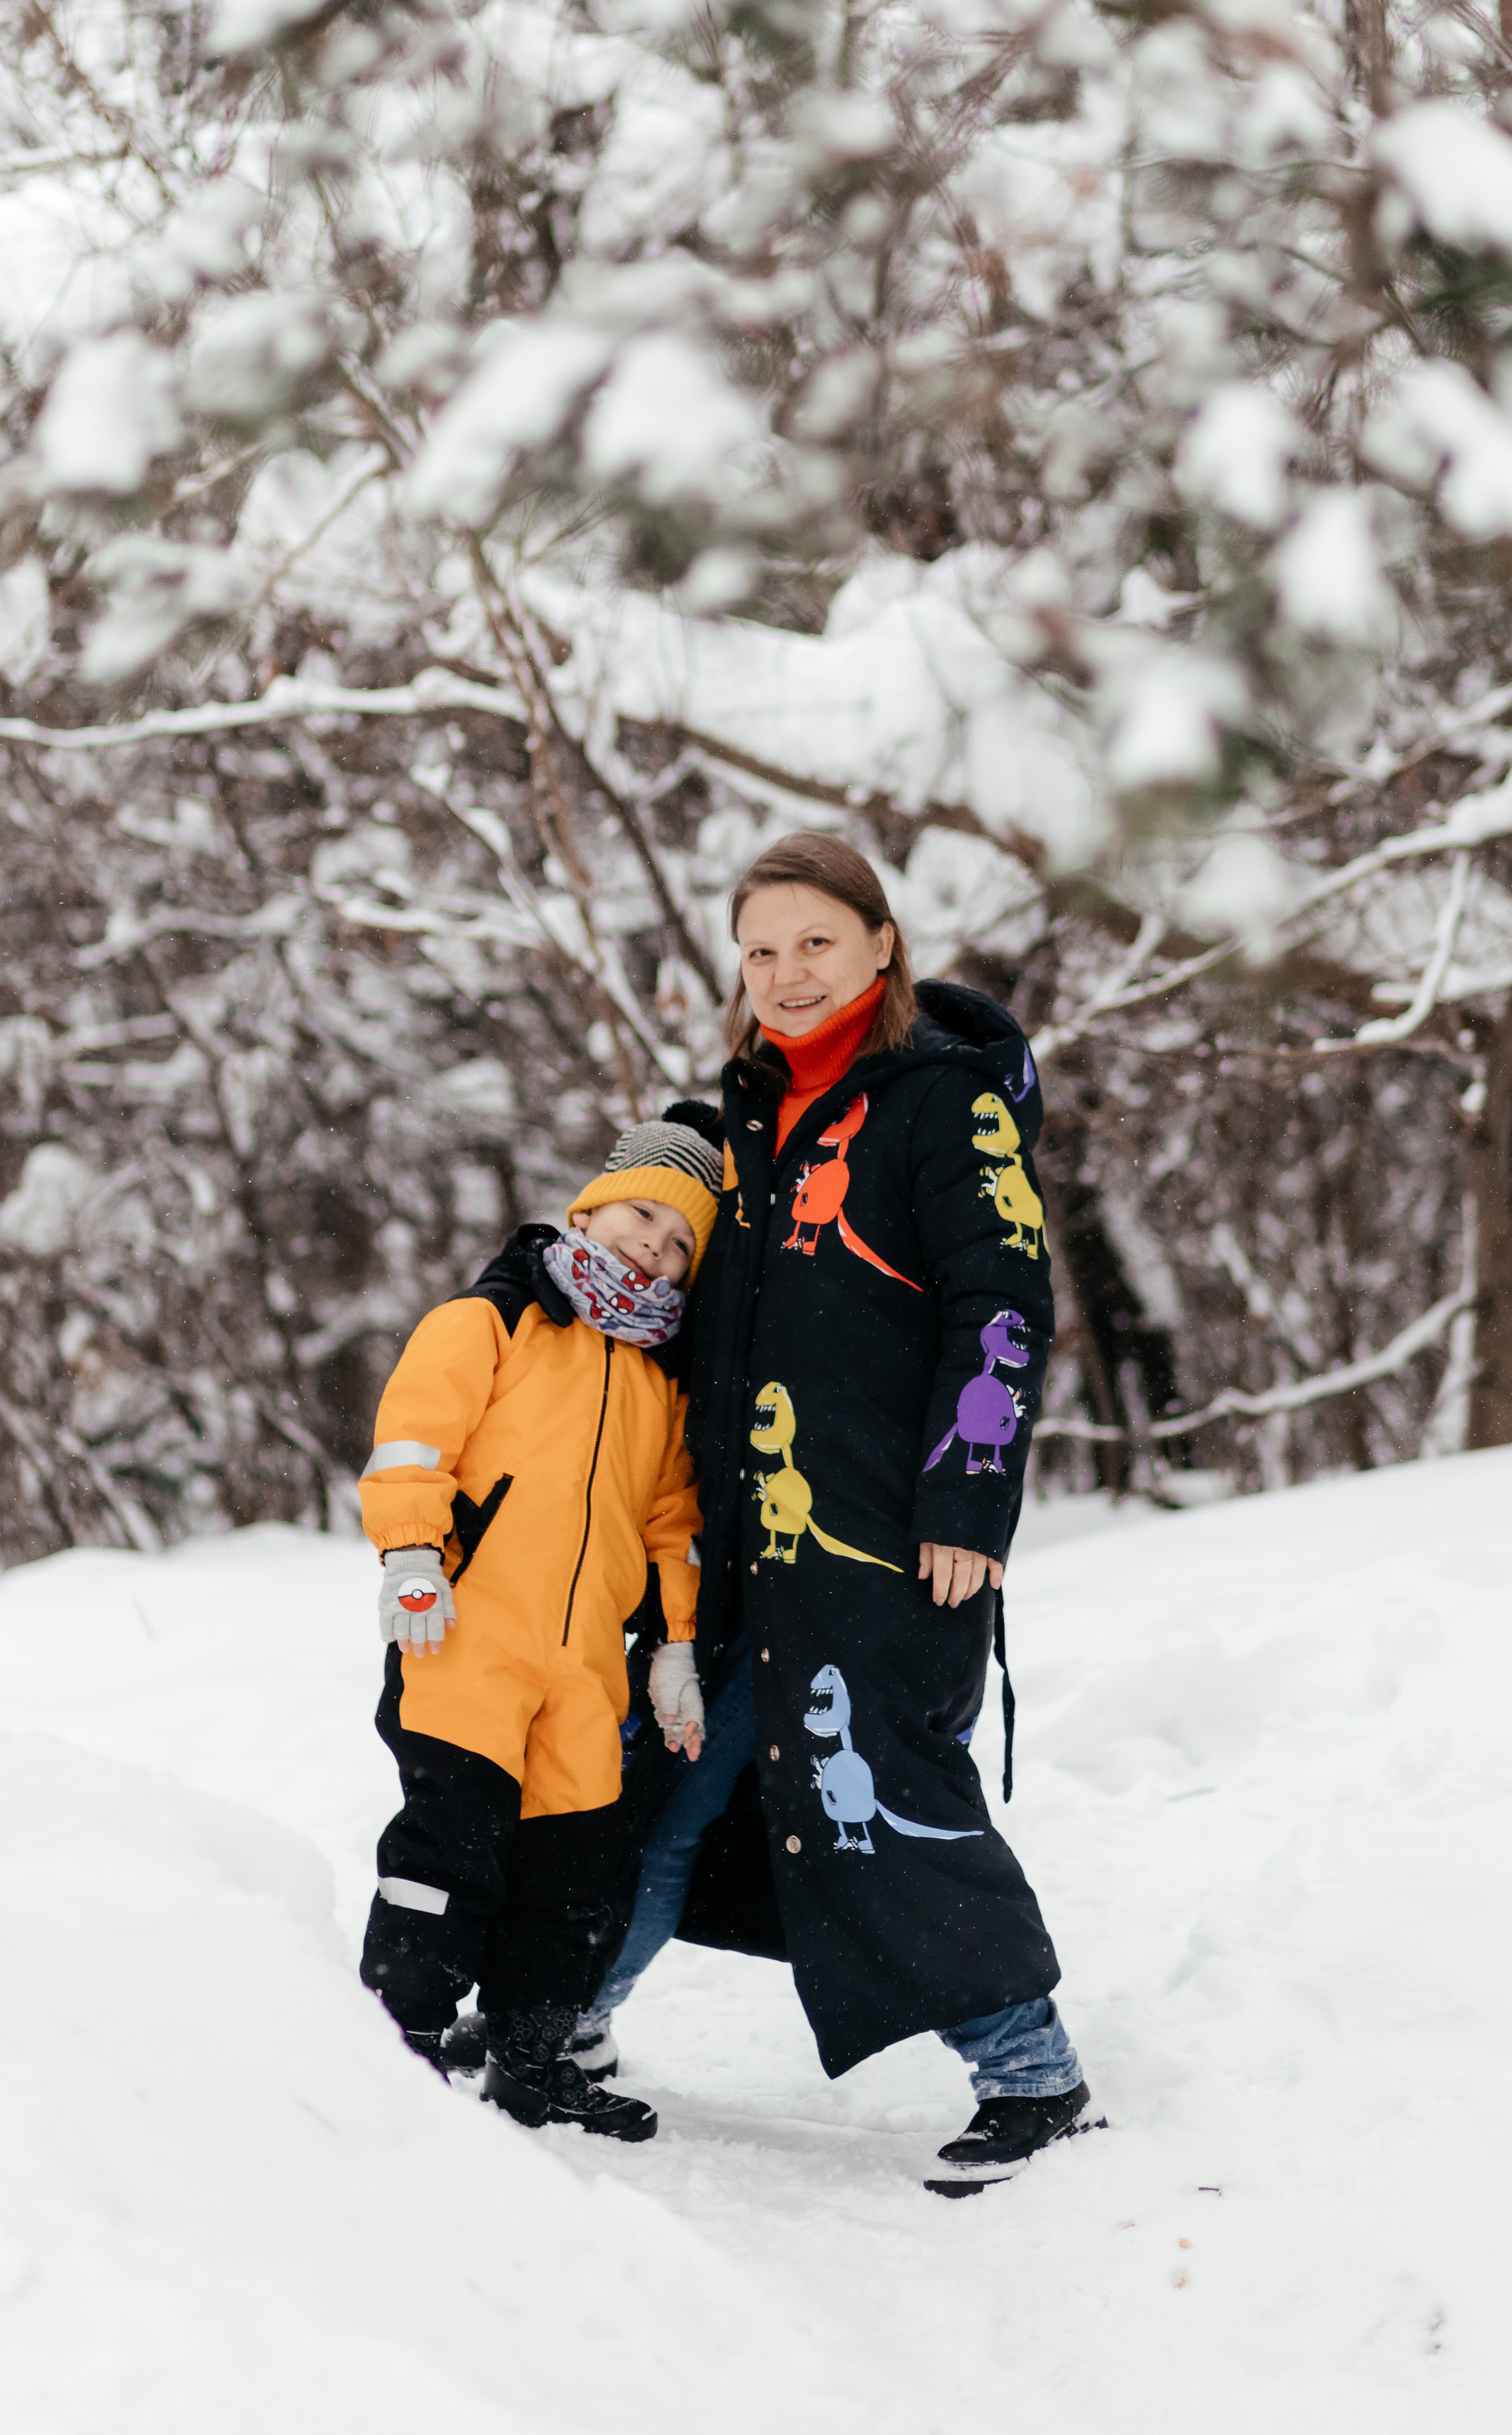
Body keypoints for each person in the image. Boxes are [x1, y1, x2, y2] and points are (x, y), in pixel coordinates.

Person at [574, 834, 1096, 2197]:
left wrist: (970, 1498)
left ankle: (1032, 2075)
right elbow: (629, 1243)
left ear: (880, 943)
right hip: (740, 1557)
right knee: (664, 1784)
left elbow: (1004, 1304)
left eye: (816, 942)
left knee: (889, 1794)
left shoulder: (946, 1104)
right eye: (761, 950)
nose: (789, 974)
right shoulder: (736, 1119)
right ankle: (559, 2025)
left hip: (886, 1540)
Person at [356, 1108, 722, 2143]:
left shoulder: (660, 1377)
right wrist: (415, 1554)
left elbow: (668, 1526)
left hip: (583, 1675)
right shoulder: (490, 1322)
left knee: (574, 1881)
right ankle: (397, 2049)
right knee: (449, 1854)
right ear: (593, 1206)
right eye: (643, 1214)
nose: (652, 1244)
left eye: (679, 1240)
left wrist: (676, 1647)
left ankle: (529, 2060)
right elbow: (412, 1441)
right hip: (464, 1640)